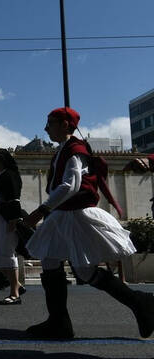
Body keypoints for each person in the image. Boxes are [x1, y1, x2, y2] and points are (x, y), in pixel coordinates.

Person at [23, 107, 153, 339]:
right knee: (64, 265)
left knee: (74, 267)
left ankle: (137, 303)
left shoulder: (75, 149)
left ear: (65, 125)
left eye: (50, 123)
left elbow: (70, 185)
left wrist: (41, 210)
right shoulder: (65, 149)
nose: (45, 128)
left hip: (75, 214)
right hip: (64, 214)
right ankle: (60, 321)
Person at [0, 147, 25, 305]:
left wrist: (13, 220)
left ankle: (14, 294)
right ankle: (17, 285)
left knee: (7, 252)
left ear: (0, 159)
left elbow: (15, 199)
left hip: (7, 218)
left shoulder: (10, 175)